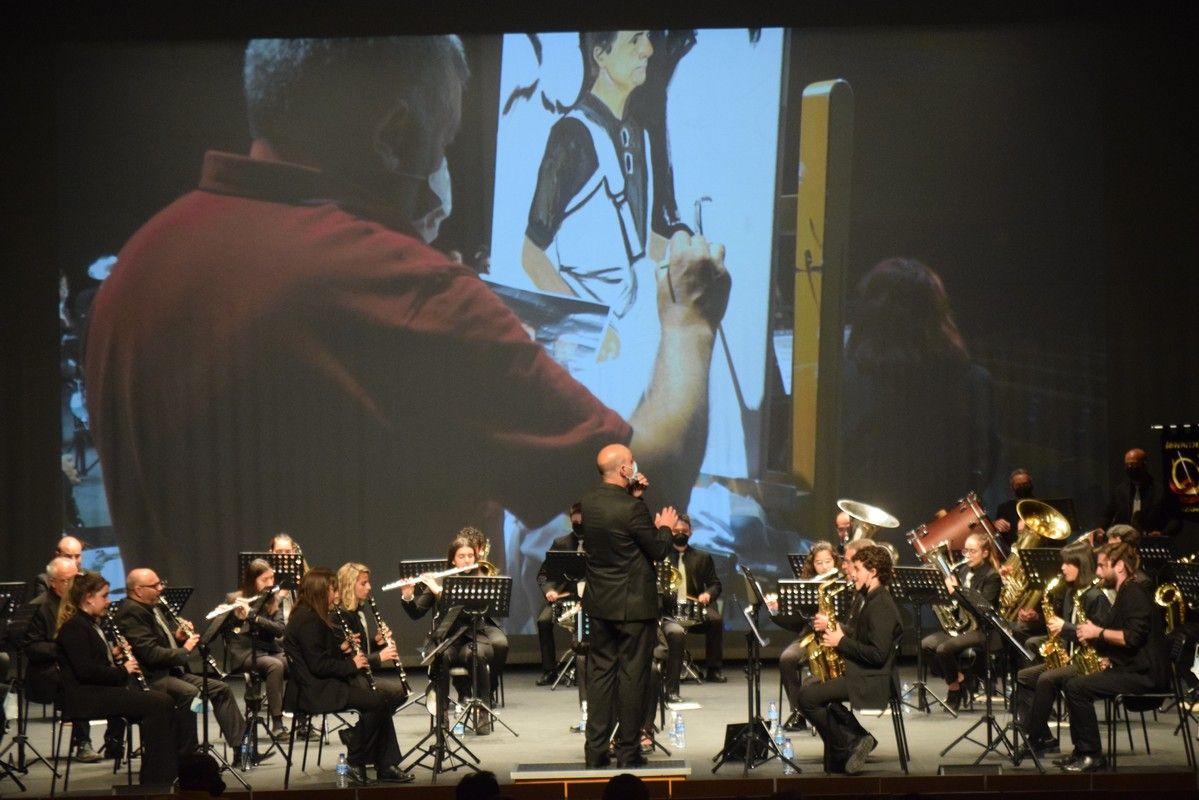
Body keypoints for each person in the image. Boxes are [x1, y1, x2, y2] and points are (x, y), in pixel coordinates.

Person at [84, 36, 729, 617]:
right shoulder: (400, 291)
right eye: (442, 141)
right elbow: (649, 483)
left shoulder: (139, 265)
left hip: (202, 720)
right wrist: (689, 321)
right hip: (374, 709)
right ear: (395, 135)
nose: (444, 171)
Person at [838, 258, 998, 538]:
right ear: (938, 312)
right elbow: (984, 468)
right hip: (942, 539)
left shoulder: (843, 382)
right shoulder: (973, 383)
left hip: (860, 539)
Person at [580, 443, 675, 769]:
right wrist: (665, 525)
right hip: (634, 607)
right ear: (623, 470)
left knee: (600, 676)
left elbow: (619, 528)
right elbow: (658, 550)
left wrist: (635, 497)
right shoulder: (633, 510)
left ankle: (595, 752)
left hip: (600, 604)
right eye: (632, 463)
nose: (635, 466)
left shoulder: (589, 503)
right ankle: (628, 751)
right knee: (633, 678)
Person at [55, 571, 195, 785]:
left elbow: (94, 663)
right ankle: (157, 777)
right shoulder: (74, 627)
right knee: (159, 703)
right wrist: (124, 670)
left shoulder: (89, 623)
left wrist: (115, 656)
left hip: (98, 691)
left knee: (161, 701)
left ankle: (164, 769)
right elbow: (86, 672)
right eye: (104, 596)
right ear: (89, 597)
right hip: (85, 697)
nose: (108, 601)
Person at [283, 568, 413, 784]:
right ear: (320, 591)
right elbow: (318, 666)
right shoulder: (308, 620)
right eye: (333, 590)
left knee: (378, 699)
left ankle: (379, 761)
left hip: (321, 683)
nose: (336, 595)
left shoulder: (309, 615)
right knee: (378, 701)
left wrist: (340, 648)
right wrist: (352, 663)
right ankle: (356, 758)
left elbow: (318, 655)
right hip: (316, 690)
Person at [114, 568, 253, 767]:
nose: (160, 589)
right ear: (138, 590)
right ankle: (187, 756)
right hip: (149, 679)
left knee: (220, 689)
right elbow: (150, 655)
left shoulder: (149, 607)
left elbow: (159, 643)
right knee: (190, 693)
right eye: (154, 586)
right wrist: (185, 651)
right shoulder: (131, 612)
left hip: (167, 672)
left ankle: (241, 750)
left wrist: (178, 639)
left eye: (160, 583)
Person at [1056, 541, 1170, 772]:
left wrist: (1098, 632)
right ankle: (1081, 751)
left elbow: (1132, 638)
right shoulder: (1125, 592)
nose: (1097, 572)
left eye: (1101, 566)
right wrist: (1106, 653)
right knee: (1071, 683)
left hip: (1144, 675)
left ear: (1119, 566)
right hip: (1130, 668)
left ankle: (1091, 755)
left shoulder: (1134, 592)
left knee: (1077, 688)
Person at [797, 544, 903, 774]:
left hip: (873, 679)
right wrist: (840, 633)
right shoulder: (871, 598)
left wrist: (840, 642)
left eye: (856, 568)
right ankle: (851, 742)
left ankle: (851, 742)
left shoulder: (881, 605)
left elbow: (877, 654)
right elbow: (865, 637)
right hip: (863, 672)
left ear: (872, 571)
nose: (851, 573)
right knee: (811, 685)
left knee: (807, 698)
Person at [1011, 538, 1111, 757]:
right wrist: (1039, 620)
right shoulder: (1069, 593)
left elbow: (1101, 639)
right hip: (1073, 659)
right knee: (1024, 676)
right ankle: (1042, 736)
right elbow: (1061, 629)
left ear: (1082, 566)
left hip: (1092, 663)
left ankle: (1032, 738)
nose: (1062, 567)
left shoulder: (1096, 598)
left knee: (1047, 679)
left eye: (1068, 563)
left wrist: (1065, 627)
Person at [400, 534, 506, 733]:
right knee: (442, 657)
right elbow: (416, 613)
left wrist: (440, 592)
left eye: (470, 556)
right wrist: (408, 596)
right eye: (461, 556)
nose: (467, 560)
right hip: (446, 638)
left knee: (474, 653)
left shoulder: (481, 578)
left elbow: (468, 610)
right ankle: (442, 718)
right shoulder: (441, 579)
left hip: (474, 635)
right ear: (452, 560)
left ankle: (483, 711)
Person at [22, 556, 109, 762]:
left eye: (75, 579)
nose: (73, 585)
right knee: (76, 681)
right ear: (52, 582)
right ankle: (83, 743)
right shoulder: (39, 607)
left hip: (74, 664)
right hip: (47, 671)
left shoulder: (80, 604)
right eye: (67, 580)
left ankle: (114, 741)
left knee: (115, 675)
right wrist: (65, 648)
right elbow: (32, 648)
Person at [775, 540, 854, 731]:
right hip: (810, 636)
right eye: (819, 563)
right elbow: (794, 623)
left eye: (828, 561)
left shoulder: (847, 585)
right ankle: (799, 713)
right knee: (787, 658)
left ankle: (830, 711)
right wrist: (777, 609)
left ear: (835, 562)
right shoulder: (807, 586)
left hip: (837, 637)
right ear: (813, 565)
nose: (824, 566)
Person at [919, 531, 1002, 710]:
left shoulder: (992, 576)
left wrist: (955, 591)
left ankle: (954, 690)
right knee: (925, 645)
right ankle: (960, 679)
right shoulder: (963, 571)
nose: (967, 556)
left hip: (982, 630)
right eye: (965, 551)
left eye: (973, 551)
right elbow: (955, 605)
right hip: (962, 628)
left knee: (943, 649)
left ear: (985, 553)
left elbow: (982, 608)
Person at [222, 558, 288, 739]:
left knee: (294, 661)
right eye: (264, 579)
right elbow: (229, 632)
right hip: (244, 651)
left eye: (271, 579)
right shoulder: (235, 598)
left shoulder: (274, 599)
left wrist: (255, 617)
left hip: (268, 648)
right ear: (253, 580)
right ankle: (277, 722)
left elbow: (280, 630)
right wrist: (238, 617)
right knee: (275, 666)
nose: (270, 583)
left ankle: (300, 715)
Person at [660, 512, 723, 702]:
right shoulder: (662, 556)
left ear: (691, 532)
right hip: (668, 608)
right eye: (676, 530)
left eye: (684, 531)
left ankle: (713, 669)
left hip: (693, 605)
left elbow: (715, 584)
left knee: (716, 620)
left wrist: (707, 594)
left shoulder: (702, 557)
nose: (680, 533)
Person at [333, 562, 409, 715]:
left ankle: (362, 732)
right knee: (397, 693)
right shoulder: (339, 616)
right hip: (347, 680)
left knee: (399, 693)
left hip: (359, 677)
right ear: (349, 585)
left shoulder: (356, 612)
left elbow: (360, 649)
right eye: (363, 583)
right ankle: (363, 732)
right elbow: (351, 659)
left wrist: (377, 642)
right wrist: (380, 656)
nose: (369, 587)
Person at [534, 503, 584, 686]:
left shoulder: (599, 543)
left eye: (582, 521)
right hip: (565, 597)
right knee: (543, 621)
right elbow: (543, 575)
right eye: (575, 522)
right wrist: (550, 591)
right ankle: (549, 671)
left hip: (591, 598)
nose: (578, 524)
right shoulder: (561, 543)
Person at [1099, 447, 1180, 536]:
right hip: (1125, 543)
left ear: (1144, 465)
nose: (1130, 468)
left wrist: (1162, 534)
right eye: (1127, 465)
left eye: (1133, 464)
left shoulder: (1161, 491)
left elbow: (1176, 519)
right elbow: (1107, 515)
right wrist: (1101, 529)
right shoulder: (1120, 491)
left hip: (1152, 541)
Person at [992, 468, 1035, 554]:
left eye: (1025, 484)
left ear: (1031, 485)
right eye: (1018, 485)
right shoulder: (1003, 508)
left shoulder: (1042, 506)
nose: (1022, 487)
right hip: (1010, 553)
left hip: (1035, 551)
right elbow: (997, 535)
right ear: (1012, 487)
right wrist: (994, 525)